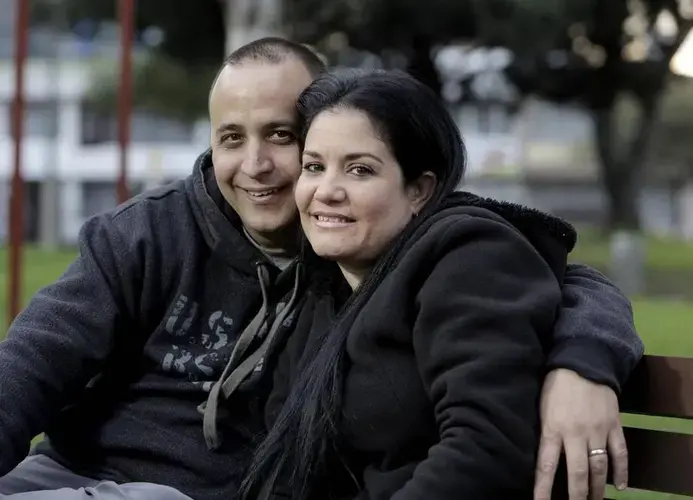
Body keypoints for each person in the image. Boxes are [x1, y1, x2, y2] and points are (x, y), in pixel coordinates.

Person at [0, 38, 639, 500]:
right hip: (69, 472)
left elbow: (549, 268)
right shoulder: (145, 234)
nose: (256, 166)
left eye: (282, 136)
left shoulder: (360, 240)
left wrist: (584, 362)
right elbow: (27, 365)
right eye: (230, 139)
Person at [238, 67, 605, 500]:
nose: (326, 191)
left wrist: (588, 359)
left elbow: (486, 449)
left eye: (359, 170)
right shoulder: (325, 288)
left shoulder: (467, 258)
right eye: (314, 166)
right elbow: (287, 462)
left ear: (419, 190)